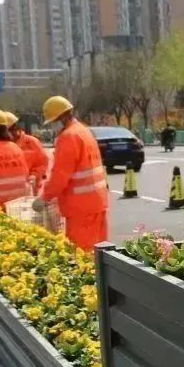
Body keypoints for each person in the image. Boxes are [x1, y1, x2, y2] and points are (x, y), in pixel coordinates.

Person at [33, 96, 109, 251]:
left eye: (53, 121)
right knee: (100, 253)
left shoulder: (68, 137)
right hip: (97, 203)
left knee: (81, 254)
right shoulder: (84, 131)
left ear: (62, 117)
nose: (53, 126)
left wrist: (44, 198)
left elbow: (60, 176)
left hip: (81, 209)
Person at [6, 111, 49, 189]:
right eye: (9, 130)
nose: (12, 132)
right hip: (9, 189)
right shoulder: (2, 146)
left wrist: (34, 175)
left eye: (13, 129)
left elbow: (43, 163)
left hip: (31, 188)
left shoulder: (32, 142)